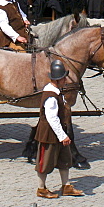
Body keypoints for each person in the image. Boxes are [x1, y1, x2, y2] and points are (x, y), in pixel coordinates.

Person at [35, 58, 85, 199]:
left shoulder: (57, 91)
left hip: (59, 132)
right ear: (58, 79)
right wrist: (62, 136)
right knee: (44, 162)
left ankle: (66, 186)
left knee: (64, 160)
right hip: (49, 134)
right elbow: (52, 118)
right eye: (63, 78)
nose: (65, 81)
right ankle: (41, 188)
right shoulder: (51, 96)